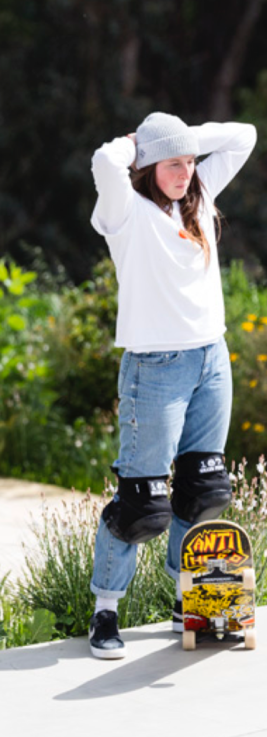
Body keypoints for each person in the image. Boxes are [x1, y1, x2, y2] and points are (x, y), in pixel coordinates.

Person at [88, 112, 257, 659]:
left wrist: (182, 143)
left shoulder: (200, 200)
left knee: (202, 490)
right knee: (142, 503)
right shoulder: (127, 214)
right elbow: (102, 161)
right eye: (173, 164)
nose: (186, 172)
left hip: (213, 358)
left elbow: (244, 136)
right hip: (155, 367)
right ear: (148, 167)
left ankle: (194, 604)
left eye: (189, 162)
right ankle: (105, 613)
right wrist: (141, 144)